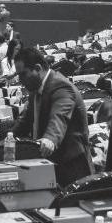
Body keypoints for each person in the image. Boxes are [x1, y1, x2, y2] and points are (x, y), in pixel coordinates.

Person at [11, 46, 93, 187]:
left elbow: (59, 117)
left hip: (72, 167)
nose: (20, 80)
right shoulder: (36, 87)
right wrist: (6, 139)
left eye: (23, 74)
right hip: (50, 161)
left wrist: (50, 138)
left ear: (37, 68)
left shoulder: (61, 87)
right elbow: (25, 121)